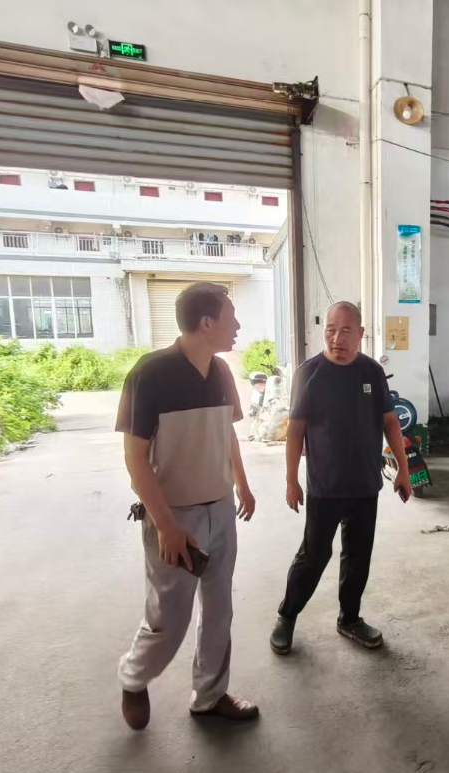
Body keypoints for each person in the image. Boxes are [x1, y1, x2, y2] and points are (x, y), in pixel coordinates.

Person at [115, 282, 258, 730]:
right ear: (207, 322)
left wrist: (242, 484)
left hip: (220, 507)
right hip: (175, 515)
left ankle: (209, 696)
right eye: (231, 316)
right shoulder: (149, 374)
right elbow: (135, 458)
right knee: (169, 617)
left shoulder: (222, 372)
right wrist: (166, 525)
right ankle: (134, 676)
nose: (238, 325)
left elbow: (226, 431)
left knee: (219, 609)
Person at [269, 301, 412, 655]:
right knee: (313, 556)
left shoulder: (372, 371)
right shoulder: (309, 373)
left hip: (365, 485)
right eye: (331, 330)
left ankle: (350, 619)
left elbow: (390, 422)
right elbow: (295, 431)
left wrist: (403, 469)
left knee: (358, 557)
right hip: (325, 486)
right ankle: (287, 615)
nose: (337, 339)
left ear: (361, 334)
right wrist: (291, 480)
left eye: (346, 331)